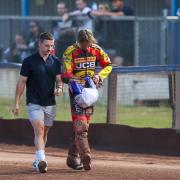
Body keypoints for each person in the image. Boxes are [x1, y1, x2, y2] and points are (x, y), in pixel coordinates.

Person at [61, 29, 112, 171]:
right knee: (81, 126)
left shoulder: (96, 50)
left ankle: (72, 157)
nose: (85, 46)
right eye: (83, 43)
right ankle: (86, 157)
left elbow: (108, 65)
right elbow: (66, 73)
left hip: (90, 91)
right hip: (76, 92)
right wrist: (75, 80)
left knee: (84, 127)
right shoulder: (69, 52)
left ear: (91, 41)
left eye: (88, 43)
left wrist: (99, 76)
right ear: (78, 41)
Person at [12, 32, 63, 173]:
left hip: (50, 103)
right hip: (34, 101)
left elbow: (59, 79)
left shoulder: (56, 61)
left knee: (44, 132)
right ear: (39, 44)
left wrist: (59, 88)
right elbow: (22, 82)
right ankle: (42, 160)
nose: (50, 48)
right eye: (47, 45)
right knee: (39, 128)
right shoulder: (29, 61)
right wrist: (16, 102)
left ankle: (37, 160)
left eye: (52, 45)